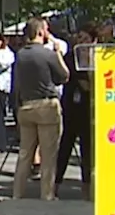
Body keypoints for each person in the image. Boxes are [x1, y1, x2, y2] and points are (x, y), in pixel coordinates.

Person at [12, 17, 69, 201]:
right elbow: (64, 76)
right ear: (40, 32)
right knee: (48, 155)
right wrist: (58, 53)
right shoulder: (48, 54)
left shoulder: (20, 55)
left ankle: (17, 194)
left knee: (25, 154)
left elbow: (17, 84)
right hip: (46, 106)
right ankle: (47, 195)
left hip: (26, 106)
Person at [55, 24, 97, 197]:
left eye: (85, 39)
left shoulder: (97, 58)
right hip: (71, 106)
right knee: (65, 146)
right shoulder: (71, 57)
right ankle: (55, 184)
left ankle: (87, 187)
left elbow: (92, 85)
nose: (81, 42)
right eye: (79, 38)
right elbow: (65, 76)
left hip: (89, 109)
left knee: (87, 149)